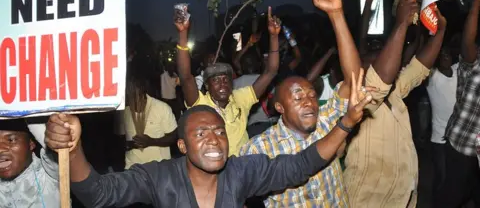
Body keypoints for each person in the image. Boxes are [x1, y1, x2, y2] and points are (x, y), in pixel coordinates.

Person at [44, 73, 372, 208]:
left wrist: (344, 123)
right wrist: (72, 150)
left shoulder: (243, 171)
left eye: (218, 131)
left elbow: (301, 165)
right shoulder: (159, 177)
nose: (214, 139)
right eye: (201, 133)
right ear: (182, 145)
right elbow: (97, 194)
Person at [240, 0, 365, 207]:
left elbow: (353, 79)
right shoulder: (259, 148)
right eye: (298, 97)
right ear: (279, 107)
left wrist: (336, 15)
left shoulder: (327, 121)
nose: (309, 102)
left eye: (311, 95)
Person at [343, 0, 446, 208]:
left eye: (380, 55)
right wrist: (401, 23)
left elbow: (421, 65)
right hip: (369, 199)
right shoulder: (356, 98)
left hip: (403, 196)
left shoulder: (395, 90)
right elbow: (381, 74)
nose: (377, 58)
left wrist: (440, 32)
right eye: (370, 57)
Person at [176, 7, 280, 156]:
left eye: (225, 79)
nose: (222, 83)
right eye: (216, 80)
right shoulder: (200, 104)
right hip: (215, 168)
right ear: (207, 85)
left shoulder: (241, 98)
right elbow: (185, 76)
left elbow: (271, 72)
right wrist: (182, 34)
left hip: (242, 167)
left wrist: (274, 36)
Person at [435, 0, 480, 208]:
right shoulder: (473, 62)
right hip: (461, 145)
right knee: (449, 199)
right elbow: (467, 40)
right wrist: (476, 4)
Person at [120, 71, 178, 168]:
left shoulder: (161, 108)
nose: (130, 96)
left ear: (142, 90)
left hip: (159, 167)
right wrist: (130, 145)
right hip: (133, 168)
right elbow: (119, 140)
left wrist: (151, 142)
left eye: (133, 92)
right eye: (127, 92)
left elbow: (173, 136)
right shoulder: (123, 111)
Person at [0, 119, 59, 207]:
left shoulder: (50, 172)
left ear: (31, 144)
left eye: (11, 140)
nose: (1, 149)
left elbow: (54, 143)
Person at [425, 46, 458, 197]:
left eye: (447, 53)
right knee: (442, 177)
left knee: (456, 178)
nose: (445, 56)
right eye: (441, 54)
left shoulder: (457, 70)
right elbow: (424, 62)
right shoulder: (433, 77)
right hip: (440, 138)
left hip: (457, 137)